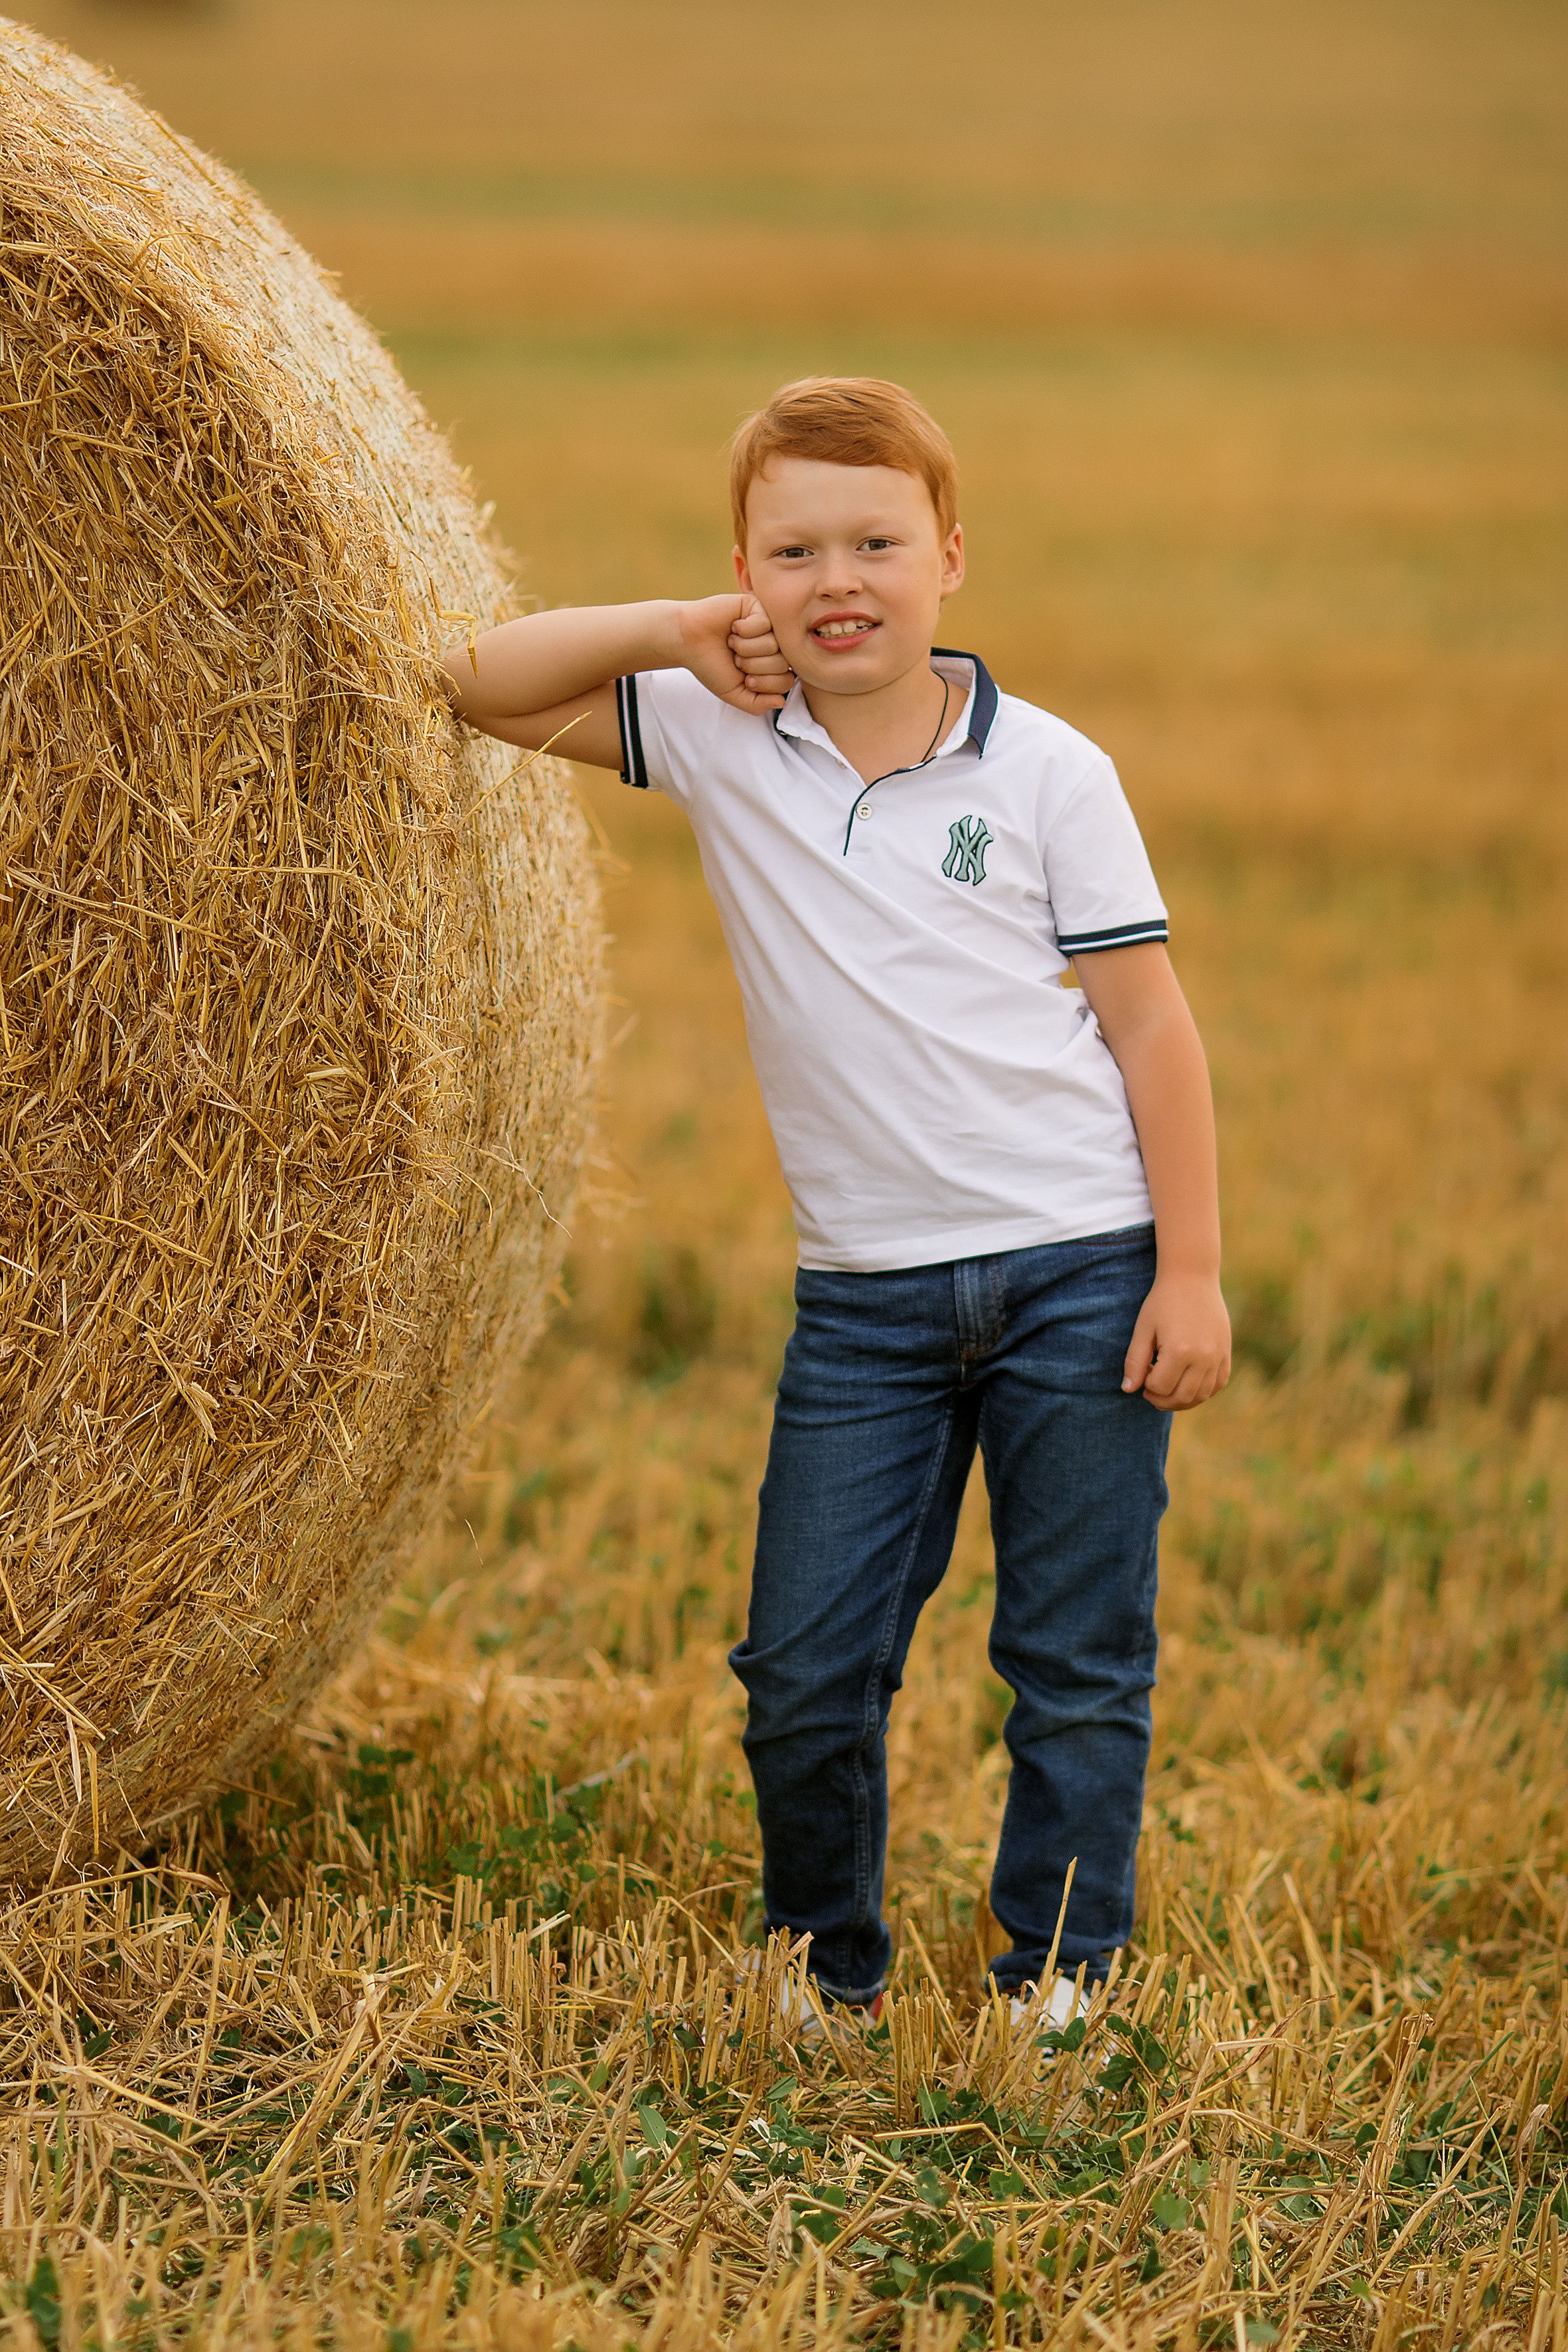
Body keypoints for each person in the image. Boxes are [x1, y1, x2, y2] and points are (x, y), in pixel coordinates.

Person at [442, 376, 1231, 2031]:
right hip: (865, 1298)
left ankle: (1060, 1976)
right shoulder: (726, 737)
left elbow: (1149, 1026)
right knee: (802, 1669)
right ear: (746, 573)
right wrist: (672, 629)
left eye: (874, 540)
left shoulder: (1048, 775)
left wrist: (1191, 1273)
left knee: (1074, 1660)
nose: (835, 579)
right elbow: (480, 688)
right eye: (789, 551)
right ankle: (824, 1966)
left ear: (949, 556)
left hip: (1077, 1268)